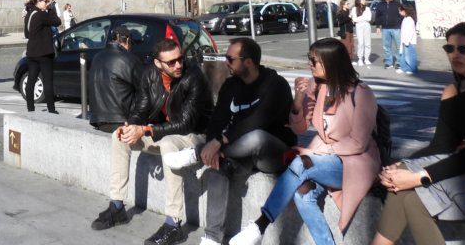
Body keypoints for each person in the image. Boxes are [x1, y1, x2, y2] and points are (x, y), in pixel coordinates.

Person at [229, 37, 380, 245]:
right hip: (324, 160)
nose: (309, 64)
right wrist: (298, 100)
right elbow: (299, 127)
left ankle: (260, 225)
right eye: (309, 59)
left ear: (330, 62)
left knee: (301, 162)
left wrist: (318, 154)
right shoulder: (318, 88)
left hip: (354, 163)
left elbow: (358, 143)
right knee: (303, 191)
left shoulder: (361, 93)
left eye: (314, 61)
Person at [372, 22, 465, 245]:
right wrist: (401, 165)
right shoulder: (452, 92)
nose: (455, 54)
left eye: (463, 49)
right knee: (404, 182)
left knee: (415, 197)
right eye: (449, 49)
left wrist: (419, 176)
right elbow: (442, 145)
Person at [163, 37, 296, 245]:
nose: (226, 62)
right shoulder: (231, 85)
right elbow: (218, 119)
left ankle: (196, 153)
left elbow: (258, 120)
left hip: (273, 153)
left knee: (256, 136)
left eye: (230, 59)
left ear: (249, 62)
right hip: (239, 151)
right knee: (217, 169)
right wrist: (213, 143)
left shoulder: (275, 84)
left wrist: (218, 144)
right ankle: (212, 239)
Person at [93, 38, 212, 245]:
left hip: (195, 135)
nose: (178, 65)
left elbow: (185, 124)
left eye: (180, 59)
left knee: (169, 145)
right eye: (172, 62)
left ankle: (173, 224)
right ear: (158, 63)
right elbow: (141, 109)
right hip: (162, 133)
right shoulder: (150, 74)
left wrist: (146, 129)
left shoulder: (193, 76)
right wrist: (131, 126)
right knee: (119, 136)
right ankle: (117, 206)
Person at [23, 0, 60, 114]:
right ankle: (51, 110)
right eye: (46, 1)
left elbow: (27, 34)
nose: (48, 3)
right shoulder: (41, 15)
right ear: (38, 1)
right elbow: (57, 21)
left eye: (48, 1)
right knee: (48, 81)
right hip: (44, 53)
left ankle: (30, 108)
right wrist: (50, 9)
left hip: (32, 52)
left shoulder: (29, 14)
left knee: (31, 80)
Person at [375, 0, 402, 70]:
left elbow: (402, 14)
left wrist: (399, 22)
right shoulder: (380, 5)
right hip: (385, 29)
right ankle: (388, 62)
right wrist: (377, 27)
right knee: (386, 47)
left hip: (396, 28)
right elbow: (378, 17)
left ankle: (399, 62)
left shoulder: (397, 4)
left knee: (398, 46)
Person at [351, 0, 372, 67]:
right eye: (363, 0)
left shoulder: (368, 9)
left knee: (367, 43)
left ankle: (366, 58)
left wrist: (360, 18)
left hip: (366, 25)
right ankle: (360, 58)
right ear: (359, 0)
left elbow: (369, 18)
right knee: (361, 43)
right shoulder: (354, 9)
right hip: (359, 26)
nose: (365, 1)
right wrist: (363, 17)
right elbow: (354, 19)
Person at [399, 4, 418, 75]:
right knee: (403, 55)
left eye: (400, 11)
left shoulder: (410, 20)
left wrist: (407, 41)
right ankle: (404, 67)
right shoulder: (405, 19)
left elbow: (410, 32)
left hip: (409, 41)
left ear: (405, 11)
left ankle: (412, 68)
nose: (399, 12)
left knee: (410, 55)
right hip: (404, 40)